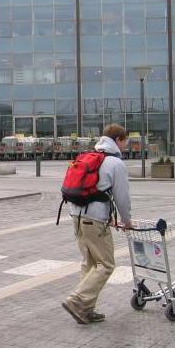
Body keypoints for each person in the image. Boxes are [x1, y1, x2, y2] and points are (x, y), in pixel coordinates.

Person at [61, 123, 132, 325]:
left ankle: (85, 310)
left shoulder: (90, 156)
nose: (126, 145)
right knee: (107, 264)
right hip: (95, 220)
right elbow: (122, 197)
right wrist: (126, 221)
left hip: (76, 216)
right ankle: (78, 300)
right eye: (125, 141)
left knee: (90, 264)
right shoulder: (115, 163)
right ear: (118, 140)